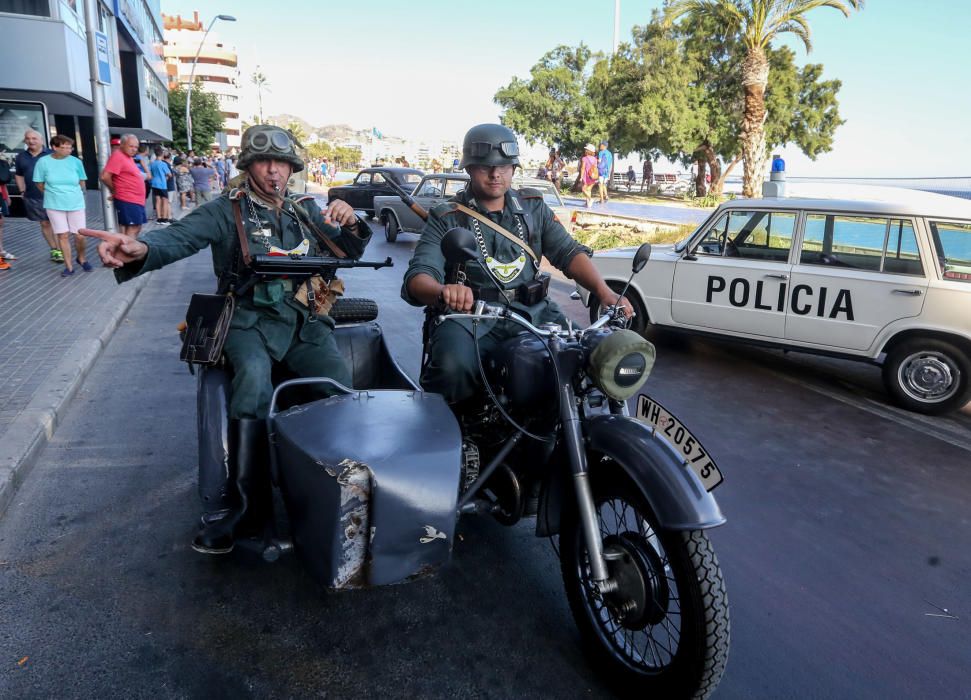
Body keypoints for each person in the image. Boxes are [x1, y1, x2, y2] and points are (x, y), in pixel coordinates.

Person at [83, 124, 371, 555]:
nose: (274, 172)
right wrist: (140, 249)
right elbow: (179, 238)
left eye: (282, 164)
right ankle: (248, 508)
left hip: (304, 323)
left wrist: (352, 220)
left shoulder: (302, 211)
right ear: (248, 166)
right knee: (252, 379)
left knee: (337, 381)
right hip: (247, 321)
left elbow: (347, 250)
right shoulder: (227, 210)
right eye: (263, 162)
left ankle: (340, 490)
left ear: (293, 168)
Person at [402, 123, 632, 406]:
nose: (495, 173)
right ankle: (455, 439)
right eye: (484, 166)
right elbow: (419, 276)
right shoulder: (447, 216)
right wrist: (443, 291)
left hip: (534, 312)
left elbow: (568, 253)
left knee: (587, 359)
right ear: (469, 169)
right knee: (452, 368)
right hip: (471, 318)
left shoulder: (533, 207)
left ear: (513, 168)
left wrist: (604, 292)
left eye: (503, 165)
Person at [32, 134, 90, 277]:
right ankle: (69, 267)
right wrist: (51, 193)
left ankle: (81, 258)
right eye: (63, 148)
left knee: (80, 235)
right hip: (54, 203)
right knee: (63, 235)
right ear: (54, 148)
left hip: (75, 202)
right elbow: (39, 182)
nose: (68, 150)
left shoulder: (76, 162)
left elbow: (82, 181)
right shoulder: (43, 162)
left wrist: (80, 193)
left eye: (70, 148)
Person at [14, 129, 59, 262]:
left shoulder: (53, 154)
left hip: (54, 195)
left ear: (41, 140)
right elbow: (19, 174)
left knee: (57, 223)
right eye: (28, 138)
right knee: (44, 223)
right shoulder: (21, 156)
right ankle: (55, 249)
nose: (31, 141)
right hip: (33, 196)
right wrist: (22, 191)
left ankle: (62, 248)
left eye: (34, 138)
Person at [101, 134, 150, 237]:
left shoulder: (127, 157)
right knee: (133, 228)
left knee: (135, 228)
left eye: (136, 147)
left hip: (135, 200)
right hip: (128, 199)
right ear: (122, 145)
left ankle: (126, 251)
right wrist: (113, 190)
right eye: (131, 146)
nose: (134, 149)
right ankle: (126, 252)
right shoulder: (118, 156)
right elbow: (105, 176)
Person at [149, 147, 172, 224]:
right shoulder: (163, 164)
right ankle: (164, 219)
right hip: (162, 184)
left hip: (154, 184)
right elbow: (169, 174)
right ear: (162, 154)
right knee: (165, 201)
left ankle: (159, 219)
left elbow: (150, 174)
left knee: (158, 201)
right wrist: (166, 178)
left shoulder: (152, 164)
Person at [580, 143, 599, 209]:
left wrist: (581, 177)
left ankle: (590, 199)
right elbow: (595, 168)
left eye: (586, 149)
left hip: (586, 176)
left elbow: (583, 168)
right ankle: (588, 204)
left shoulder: (584, 158)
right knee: (589, 190)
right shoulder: (595, 159)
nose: (585, 150)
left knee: (583, 189)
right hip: (592, 177)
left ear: (588, 151)